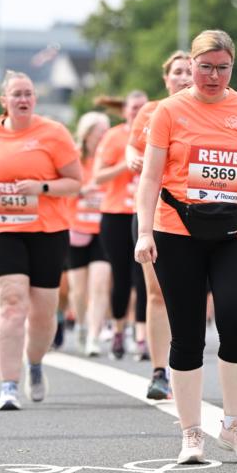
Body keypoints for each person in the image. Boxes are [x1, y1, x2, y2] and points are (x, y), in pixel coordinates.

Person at [135, 29, 237, 465]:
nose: (213, 76)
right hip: (176, 230)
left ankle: (234, 424)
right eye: (205, 67)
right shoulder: (168, 111)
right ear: (192, 65)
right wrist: (144, 232)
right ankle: (191, 433)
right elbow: (150, 176)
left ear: (232, 67)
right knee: (187, 333)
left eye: (222, 68)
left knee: (236, 320)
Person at [0, 70, 82, 411]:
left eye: (28, 93)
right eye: (17, 94)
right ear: (5, 101)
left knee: (43, 311)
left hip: (48, 230)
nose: (23, 99)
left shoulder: (53, 133)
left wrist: (42, 187)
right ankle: (8, 385)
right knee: (11, 302)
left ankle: (35, 363)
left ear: (35, 99)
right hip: (2, 228)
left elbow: (75, 182)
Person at [126, 51, 192, 398]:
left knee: (188, 296)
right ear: (166, 79)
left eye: (189, 71)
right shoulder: (151, 112)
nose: (184, 77)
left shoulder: (210, 113)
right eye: (177, 72)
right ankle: (158, 372)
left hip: (197, 216)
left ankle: (185, 366)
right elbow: (131, 147)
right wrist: (133, 159)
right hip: (155, 212)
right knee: (156, 293)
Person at [93, 90, 148, 360]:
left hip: (146, 212)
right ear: (125, 110)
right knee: (121, 276)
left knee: (144, 276)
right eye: (134, 107)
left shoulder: (155, 132)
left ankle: (141, 336)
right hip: (116, 213)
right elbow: (98, 176)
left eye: (143, 107)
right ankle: (117, 330)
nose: (138, 111)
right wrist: (126, 164)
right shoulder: (113, 136)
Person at [65, 111, 111, 355]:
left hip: (103, 229)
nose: (105, 135)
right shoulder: (73, 157)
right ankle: (81, 325)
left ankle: (94, 335)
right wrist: (83, 190)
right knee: (79, 289)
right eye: (100, 131)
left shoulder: (110, 156)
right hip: (77, 228)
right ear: (87, 133)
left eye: (107, 130)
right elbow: (62, 188)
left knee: (100, 284)